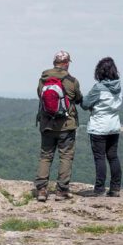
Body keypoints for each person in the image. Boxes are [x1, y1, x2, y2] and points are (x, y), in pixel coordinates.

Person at [35, 50, 83, 202]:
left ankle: (42, 190)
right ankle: (61, 191)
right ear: (67, 63)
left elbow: (40, 95)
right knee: (66, 156)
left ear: (54, 62)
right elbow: (78, 98)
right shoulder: (72, 81)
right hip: (66, 125)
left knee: (46, 156)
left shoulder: (43, 79)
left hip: (47, 124)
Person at [81, 57, 122, 197]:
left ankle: (99, 189)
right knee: (113, 157)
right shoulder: (118, 87)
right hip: (114, 126)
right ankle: (115, 188)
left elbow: (85, 104)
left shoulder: (98, 88)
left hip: (99, 127)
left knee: (100, 158)